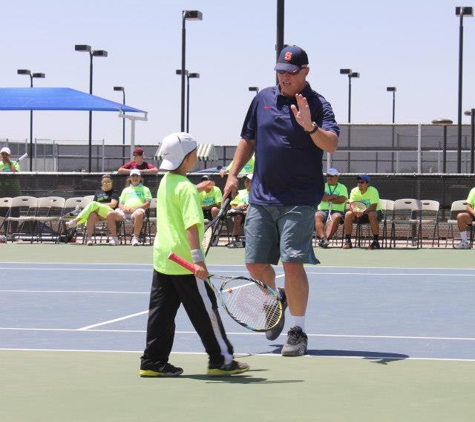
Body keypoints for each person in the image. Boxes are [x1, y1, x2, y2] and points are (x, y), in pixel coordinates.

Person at [223, 45, 339, 357]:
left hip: (300, 199)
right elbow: (248, 139)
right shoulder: (262, 99)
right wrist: (234, 174)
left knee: (291, 261)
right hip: (262, 196)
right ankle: (277, 301)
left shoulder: (318, 104)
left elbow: (332, 144)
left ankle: (297, 332)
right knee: (255, 263)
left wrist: (309, 126)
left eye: (290, 73)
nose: (283, 77)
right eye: (279, 71)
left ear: (305, 72)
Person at [140, 132, 249, 377]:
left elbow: (179, 196)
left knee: (161, 313)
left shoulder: (167, 181)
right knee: (206, 312)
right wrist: (198, 262)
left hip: (164, 259)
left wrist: (196, 188)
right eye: (194, 154)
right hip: (186, 264)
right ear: (188, 157)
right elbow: (191, 227)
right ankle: (221, 360)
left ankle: (152, 362)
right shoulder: (186, 189)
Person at [66, 174, 119, 245]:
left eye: (108, 182)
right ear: (102, 183)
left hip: (109, 213)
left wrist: (99, 205)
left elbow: (113, 204)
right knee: (91, 214)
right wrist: (97, 206)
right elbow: (92, 207)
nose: (106, 184)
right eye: (104, 182)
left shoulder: (114, 192)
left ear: (112, 182)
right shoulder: (98, 192)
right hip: (98, 213)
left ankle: (76, 221)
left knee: (93, 204)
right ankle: (89, 239)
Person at [106, 169, 152, 246]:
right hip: (124, 211)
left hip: (137, 211)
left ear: (140, 178)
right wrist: (123, 209)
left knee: (139, 214)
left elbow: (147, 204)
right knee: (110, 214)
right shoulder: (125, 190)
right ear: (130, 178)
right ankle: (114, 238)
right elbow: (120, 203)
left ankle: (135, 238)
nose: (135, 177)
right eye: (133, 176)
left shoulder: (145, 189)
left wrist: (135, 209)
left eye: (137, 176)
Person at [343, 174, 383, 250]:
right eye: (358, 182)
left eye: (362, 182)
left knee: (371, 214)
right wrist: (354, 211)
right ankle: (348, 241)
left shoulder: (373, 190)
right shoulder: (354, 191)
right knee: (348, 214)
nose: (359, 184)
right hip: (359, 214)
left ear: (368, 184)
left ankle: (376, 242)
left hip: (374, 214)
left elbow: (373, 206)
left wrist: (363, 212)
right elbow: (352, 204)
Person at [314, 168, 348, 248]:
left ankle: (326, 240)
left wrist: (328, 197)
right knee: (317, 215)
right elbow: (322, 198)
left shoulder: (342, 187)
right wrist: (334, 196)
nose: (329, 178)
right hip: (322, 210)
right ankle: (323, 238)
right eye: (328, 176)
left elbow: (342, 199)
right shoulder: (322, 186)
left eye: (332, 176)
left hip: (337, 211)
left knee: (336, 217)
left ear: (337, 177)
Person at [227, 174, 252, 248]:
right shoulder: (240, 192)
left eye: (248, 181)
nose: (246, 182)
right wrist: (239, 208)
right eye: (245, 181)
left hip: (252, 213)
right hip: (240, 213)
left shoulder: (257, 192)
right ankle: (237, 240)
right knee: (237, 216)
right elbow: (232, 206)